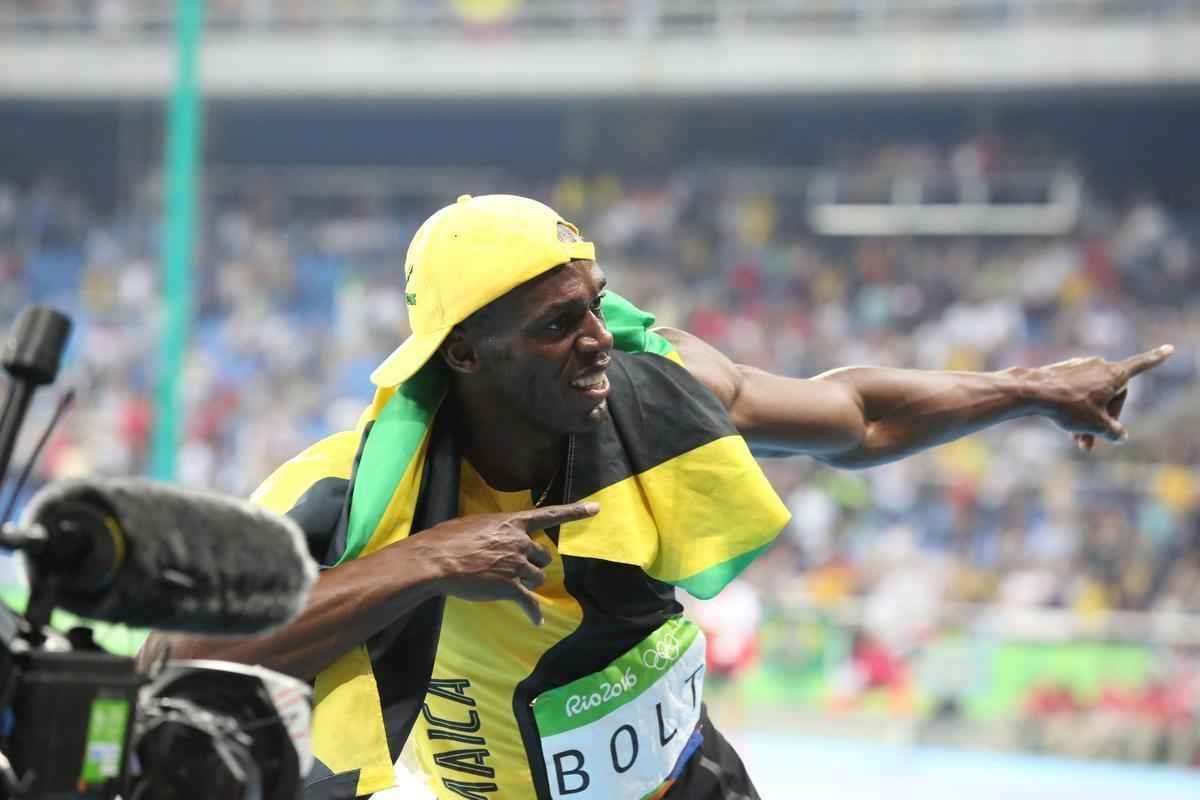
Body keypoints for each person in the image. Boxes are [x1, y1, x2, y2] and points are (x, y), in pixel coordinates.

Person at [138, 194, 1173, 800]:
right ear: (464, 353)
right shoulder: (349, 489)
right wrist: (432, 559)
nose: (597, 338)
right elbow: (179, 653)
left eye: (593, 304)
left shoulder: (651, 383)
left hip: (687, 774)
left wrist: (1027, 390)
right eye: (556, 324)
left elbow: (853, 414)